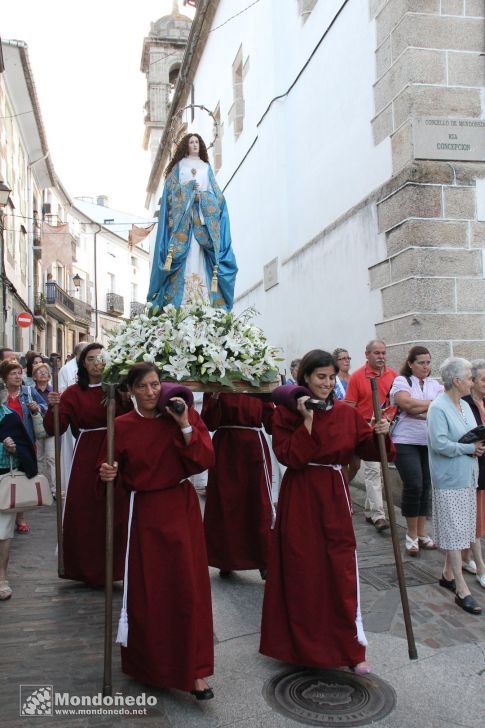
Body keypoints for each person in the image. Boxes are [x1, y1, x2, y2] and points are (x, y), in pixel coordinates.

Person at [260, 349, 393, 674]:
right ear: (305, 378)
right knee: (301, 569)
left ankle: (349, 649)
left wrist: (380, 433)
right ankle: (296, 646)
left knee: (339, 569)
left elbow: (370, 450)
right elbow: (289, 457)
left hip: (333, 497)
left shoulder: (346, 414)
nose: (327, 382)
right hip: (301, 496)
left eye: (331, 377)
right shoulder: (286, 415)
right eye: (321, 376)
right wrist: (307, 422)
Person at [99, 363, 215, 699]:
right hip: (145, 515)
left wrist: (184, 427)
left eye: (155, 385)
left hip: (181, 511)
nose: (151, 393)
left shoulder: (181, 416)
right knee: (150, 593)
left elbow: (204, 459)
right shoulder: (120, 425)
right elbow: (107, 471)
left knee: (187, 591)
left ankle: (194, 671)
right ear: (130, 391)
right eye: (143, 387)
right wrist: (106, 473)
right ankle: (151, 665)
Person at [44, 343, 128, 586]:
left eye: (100, 358)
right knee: (86, 510)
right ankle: (85, 569)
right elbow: (53, 428)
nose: (96, 363)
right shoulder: (72, 392)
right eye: (90, 358)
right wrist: (53, 406)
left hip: (115, 450)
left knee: (116, 509)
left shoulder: (117, 390)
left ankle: (115, 568)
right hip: (87, 453)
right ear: (82, 363)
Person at [147, 133, 238, 310]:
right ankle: (180, 303)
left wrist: (202, 197)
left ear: (201, 145)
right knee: (185, 256)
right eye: (191, 142)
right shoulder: (179, 166)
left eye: (197, 142)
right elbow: (170, 193)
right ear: (186, 145)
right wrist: (188, 190)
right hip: (184, 224)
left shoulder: (206, 167)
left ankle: (202, 299)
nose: (194, 144)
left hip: (202, 224)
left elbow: (218, 197)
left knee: (201, 255)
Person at [427, 357, 483, 615]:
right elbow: (439, 444)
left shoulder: (464, 404)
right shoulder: (438, 407)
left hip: (468, 474)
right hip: (449, 478)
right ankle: (462, 588)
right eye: (470, 377)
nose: (473, 381)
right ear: (457, 380)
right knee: (453, 531)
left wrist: (477, 444)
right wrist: (469, 448)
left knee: (464, 528)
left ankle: (448, 575)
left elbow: (473, 432)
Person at [201, 392, 275, 580]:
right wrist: (216, 398)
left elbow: (271, 423)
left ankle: (263, 559)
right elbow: (208, 422)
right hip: (225, 448)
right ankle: (225, 558)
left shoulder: (259, 381)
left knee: (258, 503)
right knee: (225, 503)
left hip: (253, 448)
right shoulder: (218, 382)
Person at [390, 346, 443, 555]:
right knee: (414, 484)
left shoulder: (434, 384)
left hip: (428, 441)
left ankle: (422, 532)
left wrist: (417, 408)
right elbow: (405, 403)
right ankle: (411, 534)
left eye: (428, 362)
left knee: (426, 486)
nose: (426, 366)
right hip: (405, 440)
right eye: (421, 362)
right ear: (411, 363)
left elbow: (440, 407)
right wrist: (430, 405)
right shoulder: (402, 381)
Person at [345, 339, 397, 531]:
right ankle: (378, 515)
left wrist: (388, 421)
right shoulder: (357, 377)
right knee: (373, 470)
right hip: (366, 429)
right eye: (377, 353)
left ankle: (369, 510)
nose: (381, 356)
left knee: (380, 470)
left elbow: (394, 404)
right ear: (367, 354)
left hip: (385, 426)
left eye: (383, 353)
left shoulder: (394, 376)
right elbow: (350, 406)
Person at [0, 359, 47, 535]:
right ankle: (4, 509)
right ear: (5, 377)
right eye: (13, 373)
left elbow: (44, 406)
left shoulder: (28, 391)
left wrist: (36, 408)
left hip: (24, 440)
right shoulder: (2, 395)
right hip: (4, 441)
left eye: (20, 373)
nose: (18, 376)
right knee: (5, 476)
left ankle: (20, 517)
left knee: (21, 476)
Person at [0, 403, 38, 600]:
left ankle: (2, 578)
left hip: (5, 480)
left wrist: (14, 449)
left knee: (4, 532)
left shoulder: (10, 417)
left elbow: (26, 447)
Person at [461, 359, 485, 588]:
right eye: (482, 380)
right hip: (474, 465)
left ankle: (465, 559)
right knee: (475, 519)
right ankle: (479, 566)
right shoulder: (466, 403)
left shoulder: (483, 402)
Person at [32, 362, 55, 496]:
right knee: (38, 457)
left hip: (51, 428)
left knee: (51, 458)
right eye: (39, 372)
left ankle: (54, 489)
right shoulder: (30, 391)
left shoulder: (53, 391)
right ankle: (40, 490)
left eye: (45, 372)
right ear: (34, 377)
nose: (43, 373)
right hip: (36, 428)